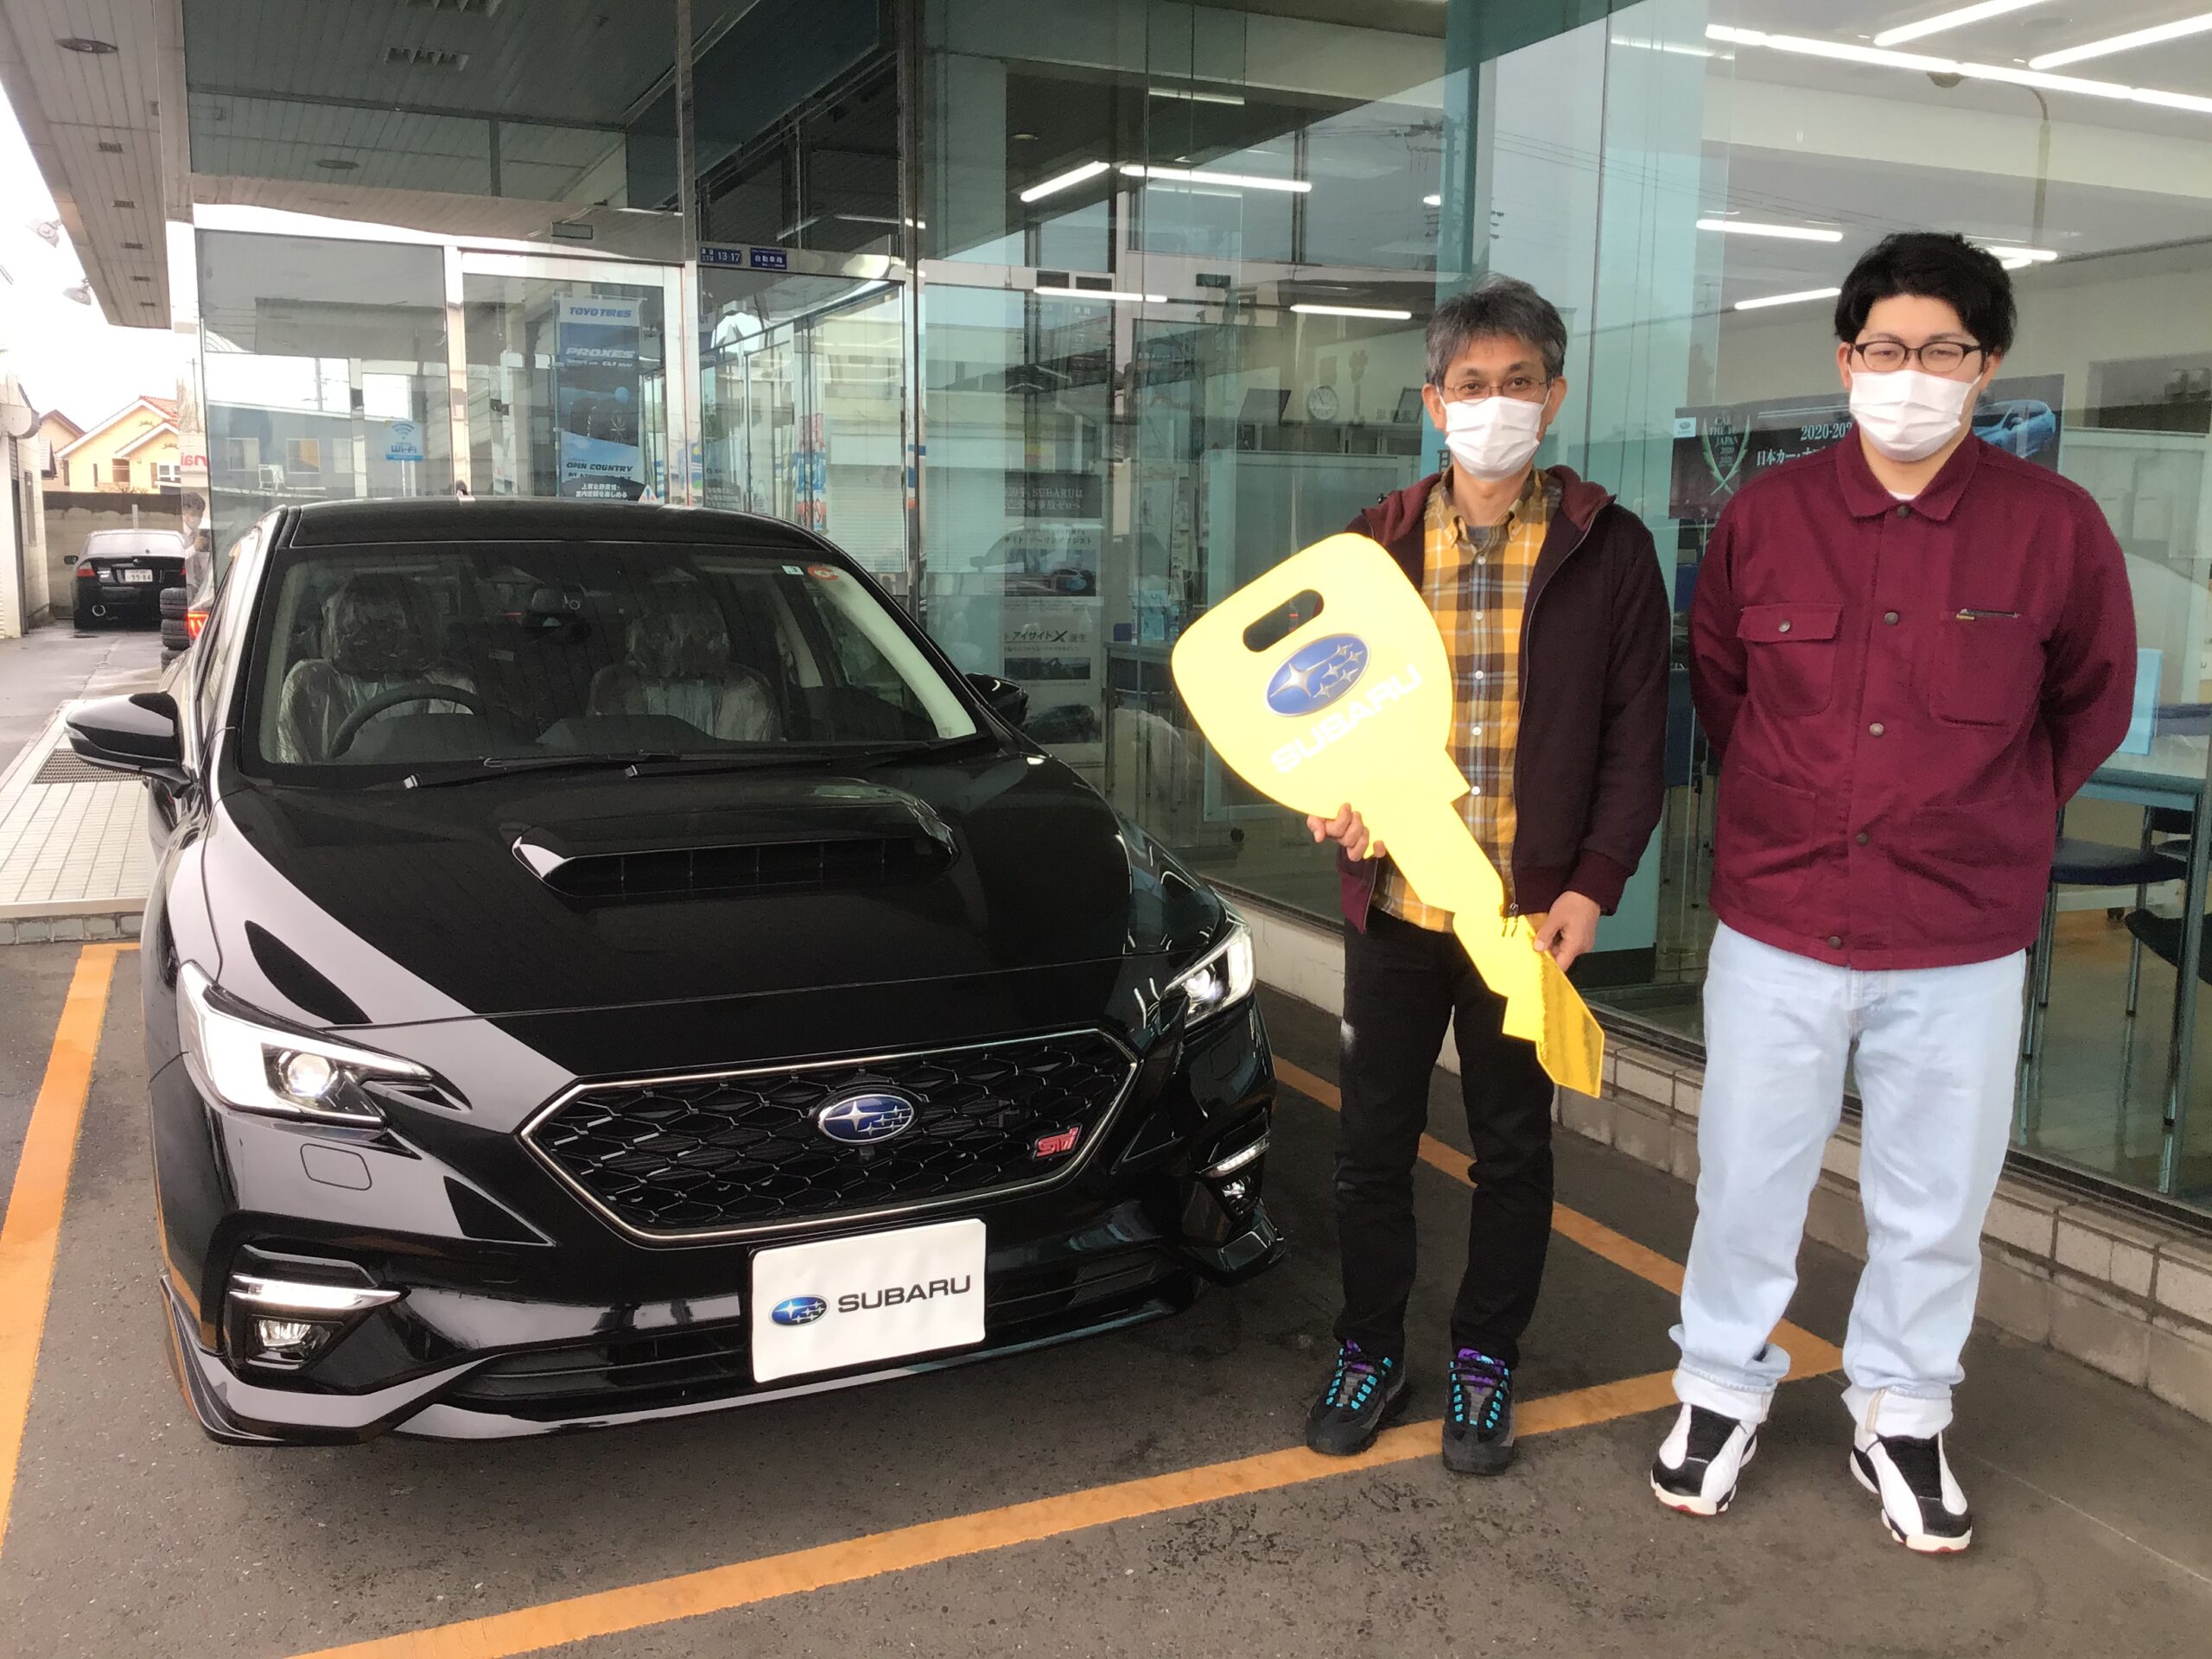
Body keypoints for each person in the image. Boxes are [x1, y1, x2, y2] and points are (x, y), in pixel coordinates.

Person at [1656, 233, 2135, 1552]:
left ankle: (1904, 1412)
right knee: (1747, 1178)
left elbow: (2089, 701)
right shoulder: (1768, 517)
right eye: (1884, 349)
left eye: (1940, 351)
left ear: (1986, 366)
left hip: (1959, 935)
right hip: (1781, 920)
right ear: (1845, 360)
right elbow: (1725, 688)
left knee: (1935, 1202)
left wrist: (1987, 813)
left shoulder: (2054, 530)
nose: (1909, 374)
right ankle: (1718, 1390)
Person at [1304, 277, 1669, 1474]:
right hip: (1399, 905)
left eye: (1519, 383)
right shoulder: (1374, 545)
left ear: (1553, 399)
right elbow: (1322, 709)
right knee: (1372, 1147)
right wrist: (1332, 795)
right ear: (1433, 403)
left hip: (1525, 919)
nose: (1495, 404)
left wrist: (1594, 884)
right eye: (1472, 385)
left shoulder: (1609, 549)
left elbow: (1637, 736)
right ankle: (1370, 1347)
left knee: (1513, 1148)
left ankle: (1485, 1356)